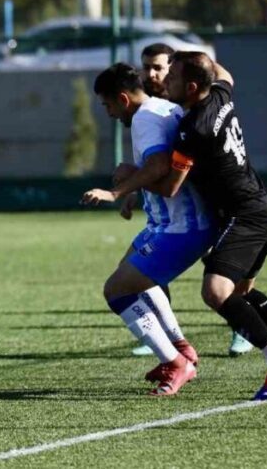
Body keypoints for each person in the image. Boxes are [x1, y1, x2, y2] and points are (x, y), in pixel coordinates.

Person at [155, 51, 267, 400]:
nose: (165, 81)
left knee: (216, 291)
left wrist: (129, 179)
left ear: (192, 86)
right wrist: (195, 55)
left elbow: (170, 186)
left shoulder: (192, 129)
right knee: (241, 294)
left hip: (246, 215)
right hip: (264, 207)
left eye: (173, 77)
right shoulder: (220, 93)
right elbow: (223, 73)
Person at [81, 63, 215, 396]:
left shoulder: (143, 118)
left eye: (107, 105)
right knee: (131, 275)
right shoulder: (164, 107)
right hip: (167, 223)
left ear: (123, 99)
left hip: (180, 227)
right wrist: (134, 187)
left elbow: (158, 166)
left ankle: (175, 362)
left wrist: (117, 191)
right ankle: (180, 347)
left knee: (117, 291)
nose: (108, 113)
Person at [128, 42, 254, 358]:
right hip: (177, 208)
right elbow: (154, 160)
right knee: (146, 263)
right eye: (147, 68)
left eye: (160, 67)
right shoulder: (154, 109)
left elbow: (164, 171)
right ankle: (162, 335)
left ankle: (244, 328)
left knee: (227, 272)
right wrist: (134, 190)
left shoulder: (193, 109)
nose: (153, 74)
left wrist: (122, 185)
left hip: (218, 200)